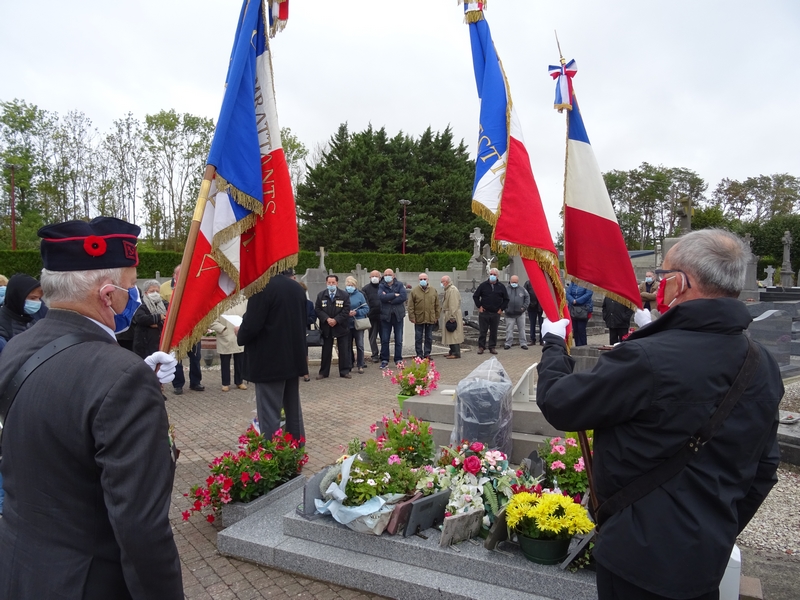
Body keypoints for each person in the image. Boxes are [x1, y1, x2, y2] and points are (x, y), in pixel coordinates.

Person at [536, 229, 783, 600]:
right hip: (704, 558)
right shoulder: (761, 362)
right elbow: (765, 469)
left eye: (664, 276)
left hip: (637, 556)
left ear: (680, 283)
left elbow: (561, 402)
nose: (658, 284)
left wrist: (554, 345)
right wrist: (714, 529)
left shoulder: (646, 357)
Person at [0, 216, 182, 598]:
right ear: (107, 295)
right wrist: (131, 384)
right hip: (88, 583)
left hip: (22, 570)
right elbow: (142, 531)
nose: (130, 297)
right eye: (129, 287)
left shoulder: (18, 347)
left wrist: (132, 380)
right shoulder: (121, 376)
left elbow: (56, 419)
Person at [237, 269, 307, 441]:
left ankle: (271, 458)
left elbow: (252, 325)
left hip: (269, 360)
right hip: (293, 357)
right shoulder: (296, 287)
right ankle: (297, 453)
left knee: (269, 414)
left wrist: (240, 332)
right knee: (293, 411)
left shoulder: (261, 287)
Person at [162, 265, 204, 394]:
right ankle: (178, 385)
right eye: (179, 274)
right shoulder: (164, 288)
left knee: (196, 358)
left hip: (192, 331)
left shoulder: (195, 287)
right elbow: (162, 307)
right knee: (177, 360)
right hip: (177, 331)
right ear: (174, 275)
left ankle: (195, 382)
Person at [315, 274, 352, 379]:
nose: (331, 284)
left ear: (337, 283)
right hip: (326, 327)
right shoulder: (321, 295)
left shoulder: (344, 295)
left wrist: (336, 320)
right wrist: (327, 319)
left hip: (341, 326)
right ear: (326, 283)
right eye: (329, 283)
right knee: (326, 351)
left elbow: (346, 310)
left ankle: (344, 371)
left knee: (343, 350)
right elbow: (318, 309)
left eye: (333, 283)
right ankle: (323, 372)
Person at [209, 298, 248, 391]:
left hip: (239, 335)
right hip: (225, 336)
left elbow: (249, 316)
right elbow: (212, 320)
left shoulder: (243, 301)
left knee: (240, 361)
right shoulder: (219, 302)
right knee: (225, 361)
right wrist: (223, 329)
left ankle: (239, 381)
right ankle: (225, 383)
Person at [472, 268, 509, 355]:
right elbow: (475, 296)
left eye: (494, 275)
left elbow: (506, 299)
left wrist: (501, 309)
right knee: (483, 331)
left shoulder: (501, 287)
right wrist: (479, 306)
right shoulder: (483, 285)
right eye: (491, 274)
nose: (492, 276)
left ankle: (492, 347)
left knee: (493, 331)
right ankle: (481, 347)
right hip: (484, 312)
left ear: (497, 276)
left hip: (495, 313)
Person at [378, 268, 407, 368]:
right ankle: (385, 360)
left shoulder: (399, 285)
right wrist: (394, 295)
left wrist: (390, 300)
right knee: (385, 339)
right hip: (386, 316)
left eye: (389, 274)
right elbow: (381, 297)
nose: (387, 276)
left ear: (393, 276)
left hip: (398, 316)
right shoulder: (381, 285)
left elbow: (403, 296)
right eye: (385, 274)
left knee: (398, 339)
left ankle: (398, 359)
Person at [408, 272, 440, 359]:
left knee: (429, 337)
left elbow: (437, 304)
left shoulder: (433, 290)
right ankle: (419, 354)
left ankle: (427, 353)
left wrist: (437, 316)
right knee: (418, 337)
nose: (423, 281)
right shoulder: (414, 291)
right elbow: (410, 305)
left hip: (430, 317)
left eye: (424, 279)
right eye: (421, 279)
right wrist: (412, 317)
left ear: (428, 280)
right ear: (418, 280)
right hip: (418, 317)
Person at [132, 279, 167, 359]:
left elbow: (168, 319)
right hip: (144, 343)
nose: (155, 293)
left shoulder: (164, 304)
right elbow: (140, 318)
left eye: (157, 291)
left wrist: (157, 324)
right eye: (152, 291)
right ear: (146, 292)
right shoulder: (140, 304)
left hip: (160, 342)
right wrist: (159, 317)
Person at [344, 276, 369, 374]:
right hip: (347, 324)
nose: (350, 287)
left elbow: (366, 309)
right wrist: (346, 313)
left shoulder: (360, 295)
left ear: (355, 286)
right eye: (348, 285)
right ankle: (350, 364)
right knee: (347, 345)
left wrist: (356, 312)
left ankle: (360, 365)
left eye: (352, 285)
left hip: (358, 324)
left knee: (360, 345)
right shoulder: (343, 295)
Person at [440, 275, 464, 359]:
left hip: (452, 314)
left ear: (446, 282)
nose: (441, 284)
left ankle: (456, 352)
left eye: (442, 282)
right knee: (450, 333)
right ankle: (451, 351)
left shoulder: (452, 290)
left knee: (454, 334)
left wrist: (452, 317)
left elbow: (453, 304)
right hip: (448, 313)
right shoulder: (448, 290)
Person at [504, 275, 530, 350]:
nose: (514, 283)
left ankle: (523, 343)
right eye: (513, 282)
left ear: (518, 282)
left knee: (522, 329)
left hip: (520, 313)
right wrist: (505, 308)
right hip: (509, 313)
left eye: (515, 282)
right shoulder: (506, 289)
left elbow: (527, 298)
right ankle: (508, 343)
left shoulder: (522, 289)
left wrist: (524, 307)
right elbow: (501, 299)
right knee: (509, 329)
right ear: (510, 281)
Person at [362, 270, 382, 363]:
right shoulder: (366, 289)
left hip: (383, 316)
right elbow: (364, 302)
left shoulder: (383, 287)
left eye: (376, 276)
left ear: (380, 277)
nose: (374, 278)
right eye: (372, 276)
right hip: (372, 316)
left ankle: (384, 354)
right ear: (370, 278)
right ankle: (374, 354)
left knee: (384, 337)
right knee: (372, 337)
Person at [566, 282, 593, 346]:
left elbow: (588, 294)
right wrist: (572, 300)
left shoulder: (588, 283)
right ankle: (577, 346)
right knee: (575, 330)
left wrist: (577, 301)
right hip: (573, 309)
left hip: (583, 310)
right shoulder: (573, 283)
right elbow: (568, 293)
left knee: (581, 329)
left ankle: (583, 346)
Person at [524, 278, 544, 346]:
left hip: (541, 306)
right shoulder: (528, 283)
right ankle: (532, 339)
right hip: (532, 307)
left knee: (542, 324)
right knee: (532, 324)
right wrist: (529, 304)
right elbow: (525, 294)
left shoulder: (542, 282)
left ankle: (542, 340)